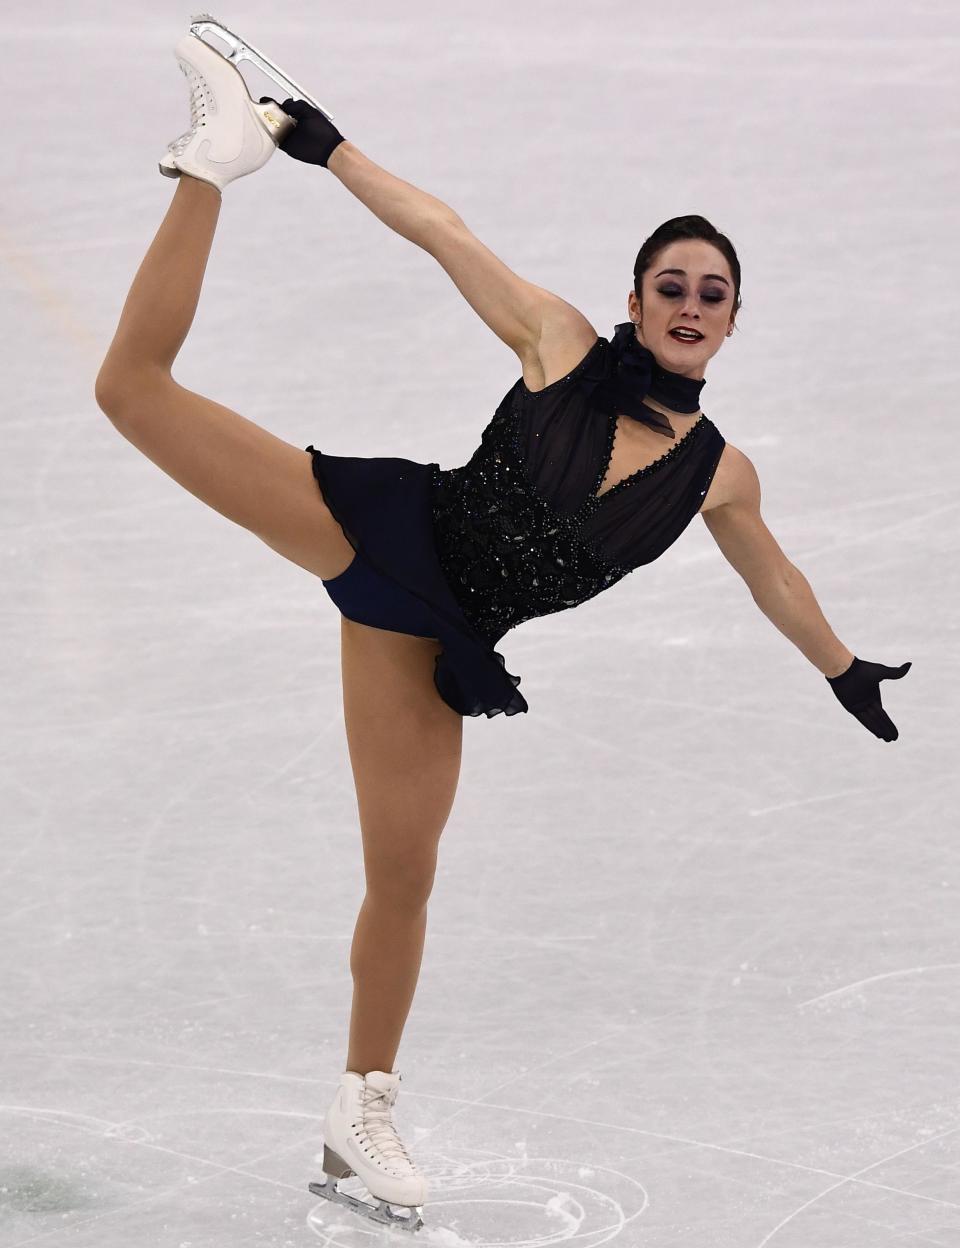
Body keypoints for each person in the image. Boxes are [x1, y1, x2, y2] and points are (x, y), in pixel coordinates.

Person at [94, 23, 911, 1233]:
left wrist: (841, 666)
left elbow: (771, 577)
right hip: (381, 528)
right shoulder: (561, 343)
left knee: (403, 877)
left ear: (734, 323)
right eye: (671, 286)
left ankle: (359, 1110)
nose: (689, 305)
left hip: (439, 643)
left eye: (713, 295)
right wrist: (328, 151)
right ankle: (210, 166)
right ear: (635, 298)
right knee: (131, 391)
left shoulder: (721, 477)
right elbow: (446, 232)